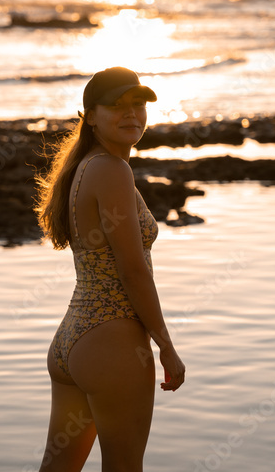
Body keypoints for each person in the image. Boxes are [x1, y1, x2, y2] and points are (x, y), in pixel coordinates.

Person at [34, 66, 186, 471]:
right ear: (91, 115)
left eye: (138, 104)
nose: (132, 114)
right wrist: (165, 346)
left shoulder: (84, 166)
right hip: (112, 342)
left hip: (72, 341)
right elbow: (133, 271)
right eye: (117, 106)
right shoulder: (112, 170)